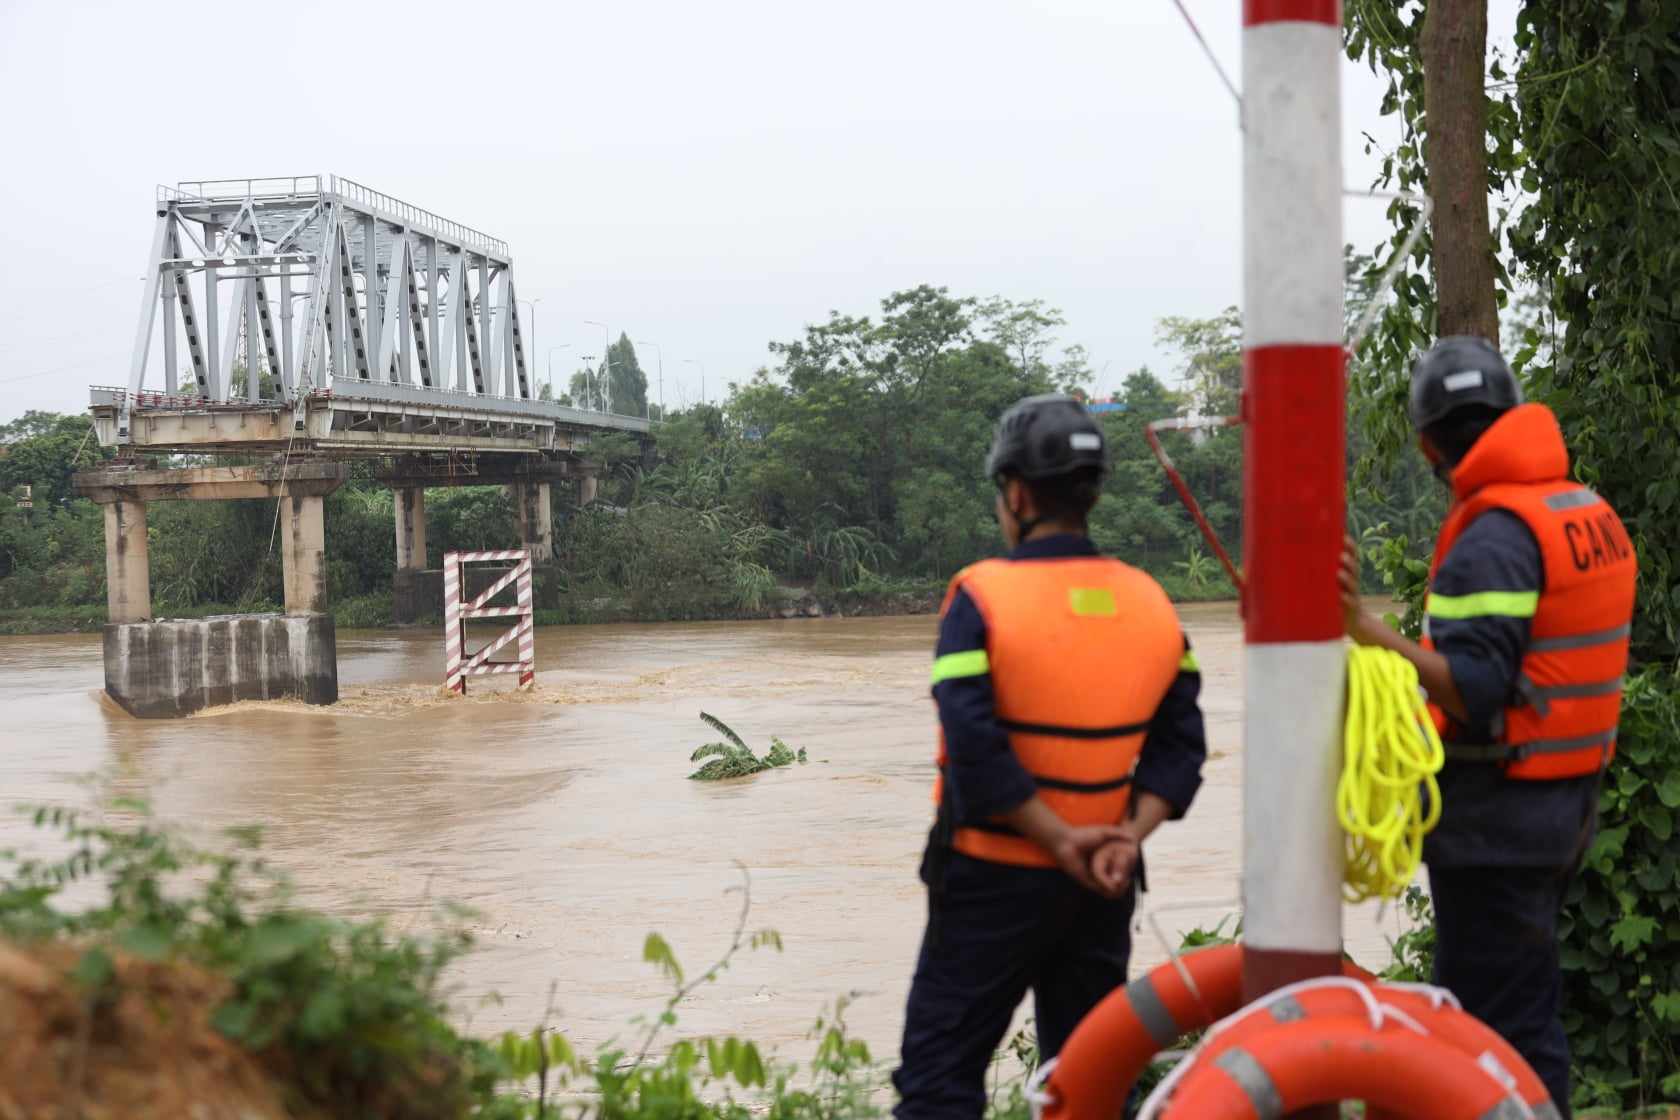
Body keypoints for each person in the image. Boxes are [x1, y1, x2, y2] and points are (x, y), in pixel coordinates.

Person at [1338, 336, 1636, 1114]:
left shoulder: (1493, 540)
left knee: (1493, 1028)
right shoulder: (1582, 510)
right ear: (1509, 411)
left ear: (1428, 442)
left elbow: (1475, 688)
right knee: (1519, 1008)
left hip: (1502, 818)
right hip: (1562, 803)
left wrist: (1366, 630)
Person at [893, 394, 1208, 1120]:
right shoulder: (1152, 603)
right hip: (1103, 882)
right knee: (1090, 1081)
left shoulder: (980, 597)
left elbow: (974, 746)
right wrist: (1122, 839)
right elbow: (1182, 748)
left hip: (990, 879)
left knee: (939, 1082)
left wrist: (1058, 839)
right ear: (1090, 495)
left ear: (1016, 493)